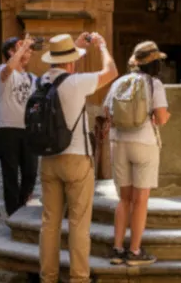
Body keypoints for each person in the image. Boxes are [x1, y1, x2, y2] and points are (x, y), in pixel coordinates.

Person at [37, 33, 118, 283]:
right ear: (71, 62)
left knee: (49, 223)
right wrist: (102, 46)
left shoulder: (42, 81)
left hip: (49, 158)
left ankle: (48, 277)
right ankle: (79, 278)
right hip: (76, 159)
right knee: (78, 223)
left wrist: (77, 48)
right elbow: (111, 71)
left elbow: (65, 70)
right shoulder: (76, 83)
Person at [106, 41, 171, 267]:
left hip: (119, 142)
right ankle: (134, 251)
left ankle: (116, 249)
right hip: (144, 143)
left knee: (123, 199)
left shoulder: (119, 82)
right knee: (140, 200)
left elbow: (107, 113)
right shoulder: (155, 84)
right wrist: (165, 117)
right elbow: (161, 118)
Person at [0, 35, 39, 216]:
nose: (27, 51)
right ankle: (13, 213)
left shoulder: (32, 77)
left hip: (27, 130)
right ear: (10, 51)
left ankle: (22, 204)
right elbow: (8, 70)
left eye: (28, 49)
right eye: (21, 47)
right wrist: (24, 46)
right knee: (10, 173)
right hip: (8, 129)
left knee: (30, 172)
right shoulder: (3, 71)